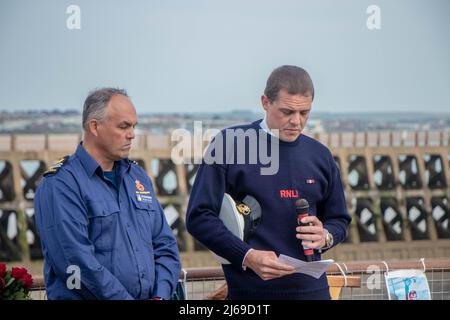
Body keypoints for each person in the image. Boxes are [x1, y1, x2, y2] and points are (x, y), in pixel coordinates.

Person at [186, 65, 351, 299]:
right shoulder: (228, 144)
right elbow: (198, 217)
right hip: (250, 294)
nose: (296, 121)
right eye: (287, 112)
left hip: (313, 292)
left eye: (304, 113)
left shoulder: (320, 155)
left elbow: (340, 219)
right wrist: (247, 256)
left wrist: (325, 236)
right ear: (265, 102)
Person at [34, 88, 181, 299]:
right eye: (123, 126)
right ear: (95, 126)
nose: (131, 134)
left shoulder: (137, 177)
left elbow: (165, 246)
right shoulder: (61, 184)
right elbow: (75, 263)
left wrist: (161, 295)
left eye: (133, 126)